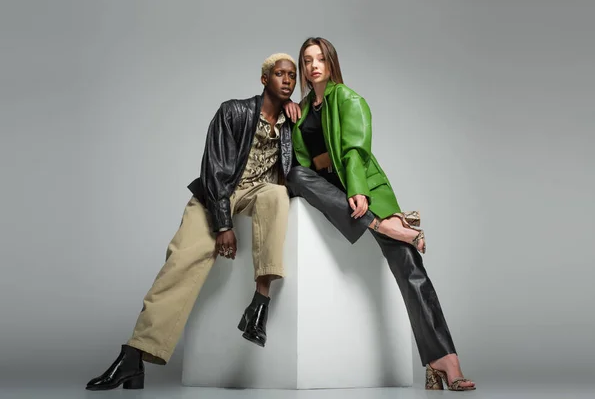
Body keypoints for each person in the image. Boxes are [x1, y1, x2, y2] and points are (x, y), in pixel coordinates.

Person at [85, 53, 298, 391]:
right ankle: (134, 356)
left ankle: (259, 304)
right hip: (217, 194)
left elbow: (310, 164)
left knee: (276, 194)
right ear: (264, 80)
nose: (287, 80)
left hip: (257, 192)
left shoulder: (291, 125)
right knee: (180, 262)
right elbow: (213, 170)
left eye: (292, 75)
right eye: (279, 74)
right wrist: (224, 225)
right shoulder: (233, 111)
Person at [283, 37, 475, 391]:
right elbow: (301, 164)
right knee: (295, 175)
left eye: (319, 58)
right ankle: (388, 227)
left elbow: (355, 150)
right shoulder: (303, 109)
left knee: (410, 268)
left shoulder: (349, 99)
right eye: (306, 60)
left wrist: (357, 190)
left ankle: (445, 360)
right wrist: (289, 110)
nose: (313, 65)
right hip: (327, 191)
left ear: (330, 62)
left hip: (359, 186)